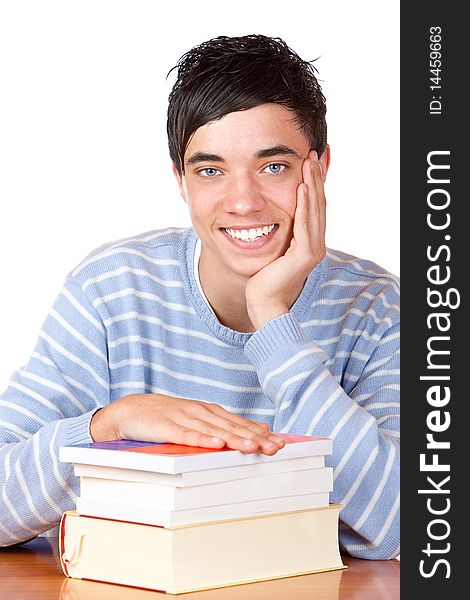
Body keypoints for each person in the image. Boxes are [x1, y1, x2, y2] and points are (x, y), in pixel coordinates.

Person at [0, 34, 399, 559]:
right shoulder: (110, 290)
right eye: (211, 170)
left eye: (273, 166)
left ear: (319, 168)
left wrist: (272, 321)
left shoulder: (376, 309)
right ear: (181, 181)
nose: (242, 201)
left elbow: (401, 523)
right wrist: (109, 425)